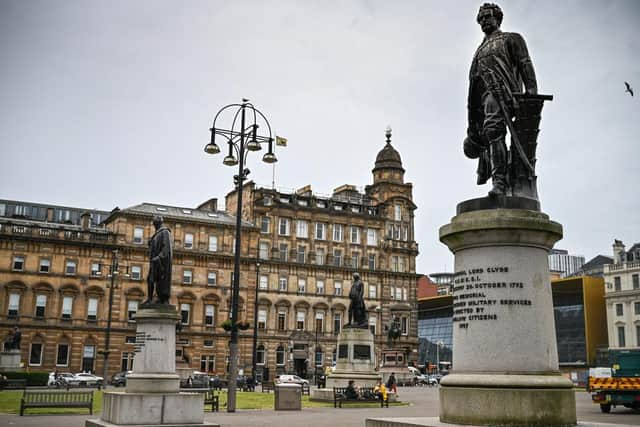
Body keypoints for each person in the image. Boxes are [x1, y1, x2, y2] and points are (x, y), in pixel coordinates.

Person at [465, 3, 538, 197]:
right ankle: (501, 181)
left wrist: (531, 90)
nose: (484, 21)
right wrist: (472, 121)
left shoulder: (511, 39)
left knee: (493, 131)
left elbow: (525, 63)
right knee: (491, 135)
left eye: (487, 16)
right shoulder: (479, 51)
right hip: (484, 100)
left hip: (504, 94)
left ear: (497, 18)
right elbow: (474, 83)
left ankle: (500, 183)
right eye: (481, 19)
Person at [144, 216, 173, 305]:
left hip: (161, 261)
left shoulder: (165, 232)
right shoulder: (156, 234)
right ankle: (149, 298)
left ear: (159, 223)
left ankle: (163, 299)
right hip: (154, 261)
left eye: (155, 223)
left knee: (161, 280)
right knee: (150, 279)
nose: (154, 225)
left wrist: (159, 257)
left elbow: (166, 247)